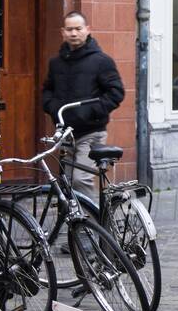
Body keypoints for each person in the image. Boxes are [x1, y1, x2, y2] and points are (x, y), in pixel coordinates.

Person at [40, 11, 125, 198]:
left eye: (78, 29)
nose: (73, 33)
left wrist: (89, 112)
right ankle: (76, 223)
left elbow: (116, 93)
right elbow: (47, 90)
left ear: (87, 30)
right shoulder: (56, 63)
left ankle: (91, 223)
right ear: (62, 32)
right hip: (66, 133)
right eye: (69, 29)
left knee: (81, 179)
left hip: (91, 132)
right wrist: (53, 108)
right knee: (67, 180)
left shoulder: (101, 61)